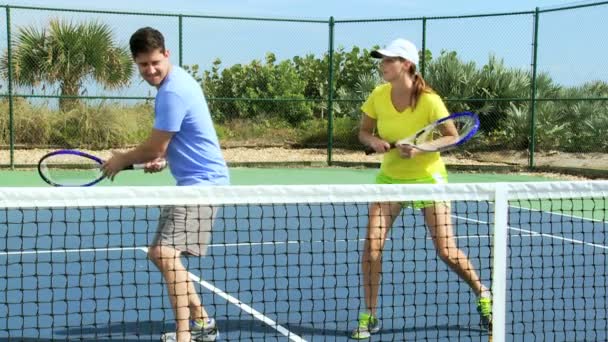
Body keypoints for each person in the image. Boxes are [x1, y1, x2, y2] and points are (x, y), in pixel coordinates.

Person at [351, 38, 492, 339]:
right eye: (382, 59)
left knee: (446, 250)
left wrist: (421, 149)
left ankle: (483, 294)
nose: (382, 64)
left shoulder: (429, 100)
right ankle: (370, 315)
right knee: (372, 247)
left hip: (429, 180)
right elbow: (364, 131)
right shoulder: (377, 95)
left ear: (406, 65)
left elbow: (451, 136)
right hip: (390, 180)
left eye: (389, 60)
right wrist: (373, 141)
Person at [101, 27, 229, 342]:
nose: (151, 70)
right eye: (143, 65)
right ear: (136, 62)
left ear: (166, 54)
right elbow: (177, 139)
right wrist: (165, 158)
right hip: (191, 181)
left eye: (155, 62)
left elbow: (154, 146)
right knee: (160, 253)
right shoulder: (175, 81)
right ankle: (202, 321)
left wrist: (123, 160)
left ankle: (186, 336)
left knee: (164, 252)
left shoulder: (172, 91)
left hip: (204, 184)